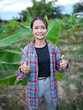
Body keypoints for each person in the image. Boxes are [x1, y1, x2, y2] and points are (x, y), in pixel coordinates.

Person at [16, 17, 70, 110]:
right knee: (33, 108)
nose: (40, 31)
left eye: (43, 27)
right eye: (36, 28)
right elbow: (22, 70)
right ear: (32, 30)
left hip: (50, 83)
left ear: (46, 29)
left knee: (52, 107)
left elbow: (59, 65)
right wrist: (22, 69)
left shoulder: (53, 48)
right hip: (34, 84)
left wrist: (65, 65)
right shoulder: (27, 50)